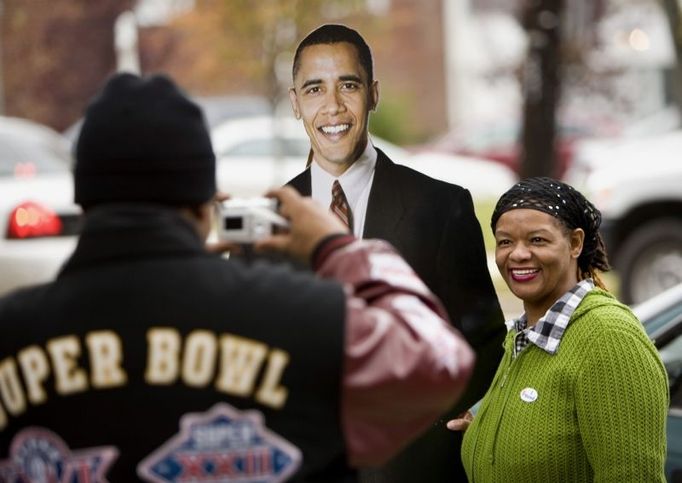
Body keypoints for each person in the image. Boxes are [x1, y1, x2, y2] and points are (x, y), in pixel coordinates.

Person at [0, 73, 476, 482]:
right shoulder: (297, 315)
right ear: (206, 204)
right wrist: (335, 247)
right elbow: (438, 361)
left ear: (85, 200)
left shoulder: (14, 328)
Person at [286, 23, 505, 481]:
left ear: (373, 94)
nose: (333, 106)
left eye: (348, 85)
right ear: (295, 103)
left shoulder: (443, 206)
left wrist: (436, 435)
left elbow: (483, 346)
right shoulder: (267, 222)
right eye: (314, 89)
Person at [449, 176, 668, 482]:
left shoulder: (609, 338)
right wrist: (487, 428)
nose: (518, 254)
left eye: (537, 240)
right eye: (505, 242)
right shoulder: (523, 334)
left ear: (575, 243)